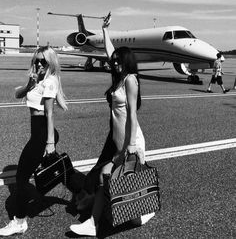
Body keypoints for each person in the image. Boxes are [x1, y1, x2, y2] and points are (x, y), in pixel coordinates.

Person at [70, 13, 154, 237]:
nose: (114, 62)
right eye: (113, 59)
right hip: (116, 139)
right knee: (112, 180)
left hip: (129, 140)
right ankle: (98, 219)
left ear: (126, 62)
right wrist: (105, 30)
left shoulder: (130, 80)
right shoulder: (119, 76)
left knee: (117, 181)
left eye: (118, 60)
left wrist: (131, 145)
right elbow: (110, 52)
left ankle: (98, 221)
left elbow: (132, 115)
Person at [0, 46, 67, 236]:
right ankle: (85, 193)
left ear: (50, 62)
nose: (39, 64)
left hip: (42, 134)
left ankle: (20, 222)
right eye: (36, 60)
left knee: (21, 178)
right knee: (57, 171)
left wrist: (50, 143)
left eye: (43, 61)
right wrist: (30, 84)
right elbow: (17, 94)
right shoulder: (37, 79)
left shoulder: (51, 81)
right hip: (37, 132)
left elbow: (49, 113)